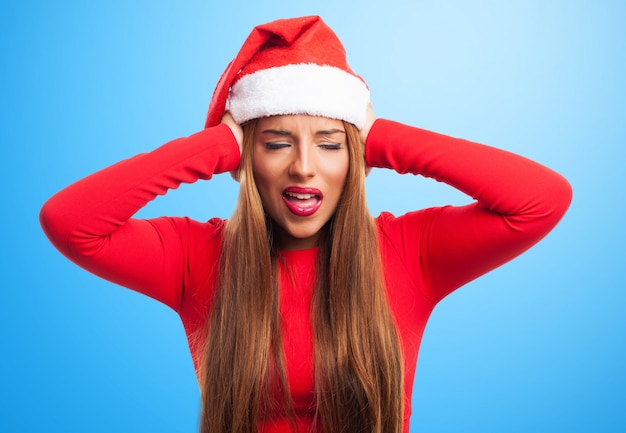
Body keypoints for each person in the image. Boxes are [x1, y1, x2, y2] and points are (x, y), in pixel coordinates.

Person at [39, 15, 572, 433]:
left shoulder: (409, 251)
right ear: (249, 159)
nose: (303, 166)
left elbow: (540, 200)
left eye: (329, 144)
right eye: (275, 143)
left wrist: (379, 134)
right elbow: (70, 221)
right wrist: (221, 145)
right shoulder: (196, 254)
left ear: (355, 157)